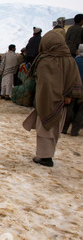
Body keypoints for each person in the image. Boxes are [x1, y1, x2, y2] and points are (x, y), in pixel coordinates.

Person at [23, 31, 83, 167]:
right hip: (63, 102)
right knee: (54, 129)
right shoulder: (70, 60)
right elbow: (75, 80)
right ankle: (47, 154)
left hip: (46, 101)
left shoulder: (45, 60)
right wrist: (67, 95)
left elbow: (44, 84)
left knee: (44, 129)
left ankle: (44, 157)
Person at [62, 44, 83, 136]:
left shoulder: (74, 61)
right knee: (80, 111)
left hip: (73, 87)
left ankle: (64, 128)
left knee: (69, 108)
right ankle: (74, 131)